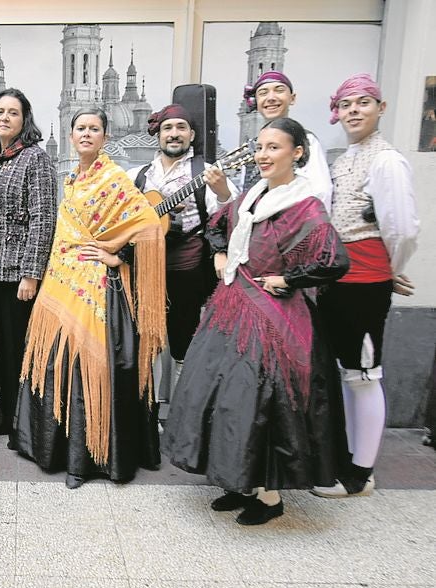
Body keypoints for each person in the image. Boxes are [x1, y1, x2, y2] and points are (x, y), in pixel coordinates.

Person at [163, 118, 350, 525]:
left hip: (273, 318)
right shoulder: (252, 198)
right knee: (223, 395)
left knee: (259, 398)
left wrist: (290, 279)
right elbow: (219, 225)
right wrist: (217, 254)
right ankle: (237, 482)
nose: (264, 155)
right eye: (261, 147)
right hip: (231, 307)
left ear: (297, 153)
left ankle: (269, 498)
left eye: (274, 148)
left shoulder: (306, 205)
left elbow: (333, 260)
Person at [15, 108, 166, 489]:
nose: (86, 134)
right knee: (56, 364)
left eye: (94, 129)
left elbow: (147, 224)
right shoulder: (70, 179)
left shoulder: (114, 179)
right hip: (61, 281)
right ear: (70, 136)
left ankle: (89, 461)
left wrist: (117, 256)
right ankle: (58, 452)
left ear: (105, 137)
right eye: (80, 128)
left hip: (100, 289)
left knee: (91, 367)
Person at [313, 74, 419, 497]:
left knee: (363, 372)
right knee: (347, 371)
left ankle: (360, 473)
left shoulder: (386, 160)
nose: (354, 111)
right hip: (338, 278)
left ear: (381, 108)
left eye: (363, 103)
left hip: (365, 277)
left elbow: (402, 227)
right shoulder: (347, 157)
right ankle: (349, 458)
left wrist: (392, 269)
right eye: (346, 105)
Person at [127, 104, 237, 384]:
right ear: (158, 135)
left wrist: (223, 192)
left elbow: (228, 216)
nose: (174, 134)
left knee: (183, 345)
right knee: (146, 344)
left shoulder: (207, 172)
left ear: (191, 134)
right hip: (145, 269)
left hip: (186, 270)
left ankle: (179, 419)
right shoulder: (138, 175)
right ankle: (147, 421)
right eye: (167, 128)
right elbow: (120, 216)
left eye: (181, 128)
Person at [0, 88, 57, 437]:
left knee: (16, 348)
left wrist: (31, 274)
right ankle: (7, 415)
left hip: (17, 275)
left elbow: (43, 219)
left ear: (25, 120)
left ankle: (21, 421)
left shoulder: (35, 158)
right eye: (0, 112)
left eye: (13, 112)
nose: (4, 117)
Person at [240, 71, 332, 210]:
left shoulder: (306, 140)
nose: (271, 98)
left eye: (279, 90)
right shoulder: (251, 146)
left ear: (292, 98)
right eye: (263, 92)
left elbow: (321, 192)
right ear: (256, 102)